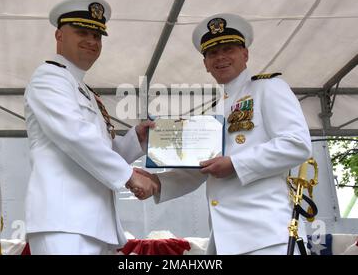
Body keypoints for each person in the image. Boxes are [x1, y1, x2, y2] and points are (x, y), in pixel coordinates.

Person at [131, 13, 312, 255]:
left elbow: (296, 144)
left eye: (228, 49)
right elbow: (199, 170)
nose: (221, 57)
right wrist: (158, 183)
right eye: (212, 53)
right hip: (224, 241)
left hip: (267, 237)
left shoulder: (268, 88)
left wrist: (235, 164)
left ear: (245, 54)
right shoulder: (212, 112)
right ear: (205, 64)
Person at [24, 0, 158, 255]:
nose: (91, 41)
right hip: (64, 222)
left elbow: (98, 149)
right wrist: (129, 176)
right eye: (82, 32)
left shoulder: (82, 89)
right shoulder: (49, 78)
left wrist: (136, 139)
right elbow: (75, 137)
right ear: (59, 36)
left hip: (92, 223)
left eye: (97, 36)